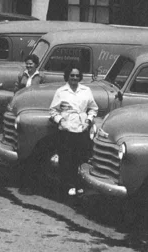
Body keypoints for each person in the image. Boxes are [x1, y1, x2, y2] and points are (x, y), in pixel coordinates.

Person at [48, 66, 98, 197]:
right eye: (72, 75)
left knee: (80, 157)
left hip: (81, 127)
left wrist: (88, 120)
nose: (74, 78)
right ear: (67, 76)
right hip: (66, 128)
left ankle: (78, 184)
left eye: (77, 75)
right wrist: (60, 121)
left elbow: (93, 108)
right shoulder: (61, 91)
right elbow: (53, 110)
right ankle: (68, 185)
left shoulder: (86, 90)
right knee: (66, 158)